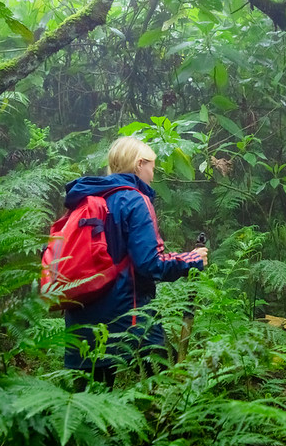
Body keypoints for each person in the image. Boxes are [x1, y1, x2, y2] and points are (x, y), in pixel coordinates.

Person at [63, 137, 208, 388]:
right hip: (128, 317)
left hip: (80, 315)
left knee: (86, 409)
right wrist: (191, 259)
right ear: (140, 164)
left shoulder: (86, 199)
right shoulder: (135, 200)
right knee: (162, 385)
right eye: (152, 166)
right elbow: (149, 264)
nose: (153, 173)